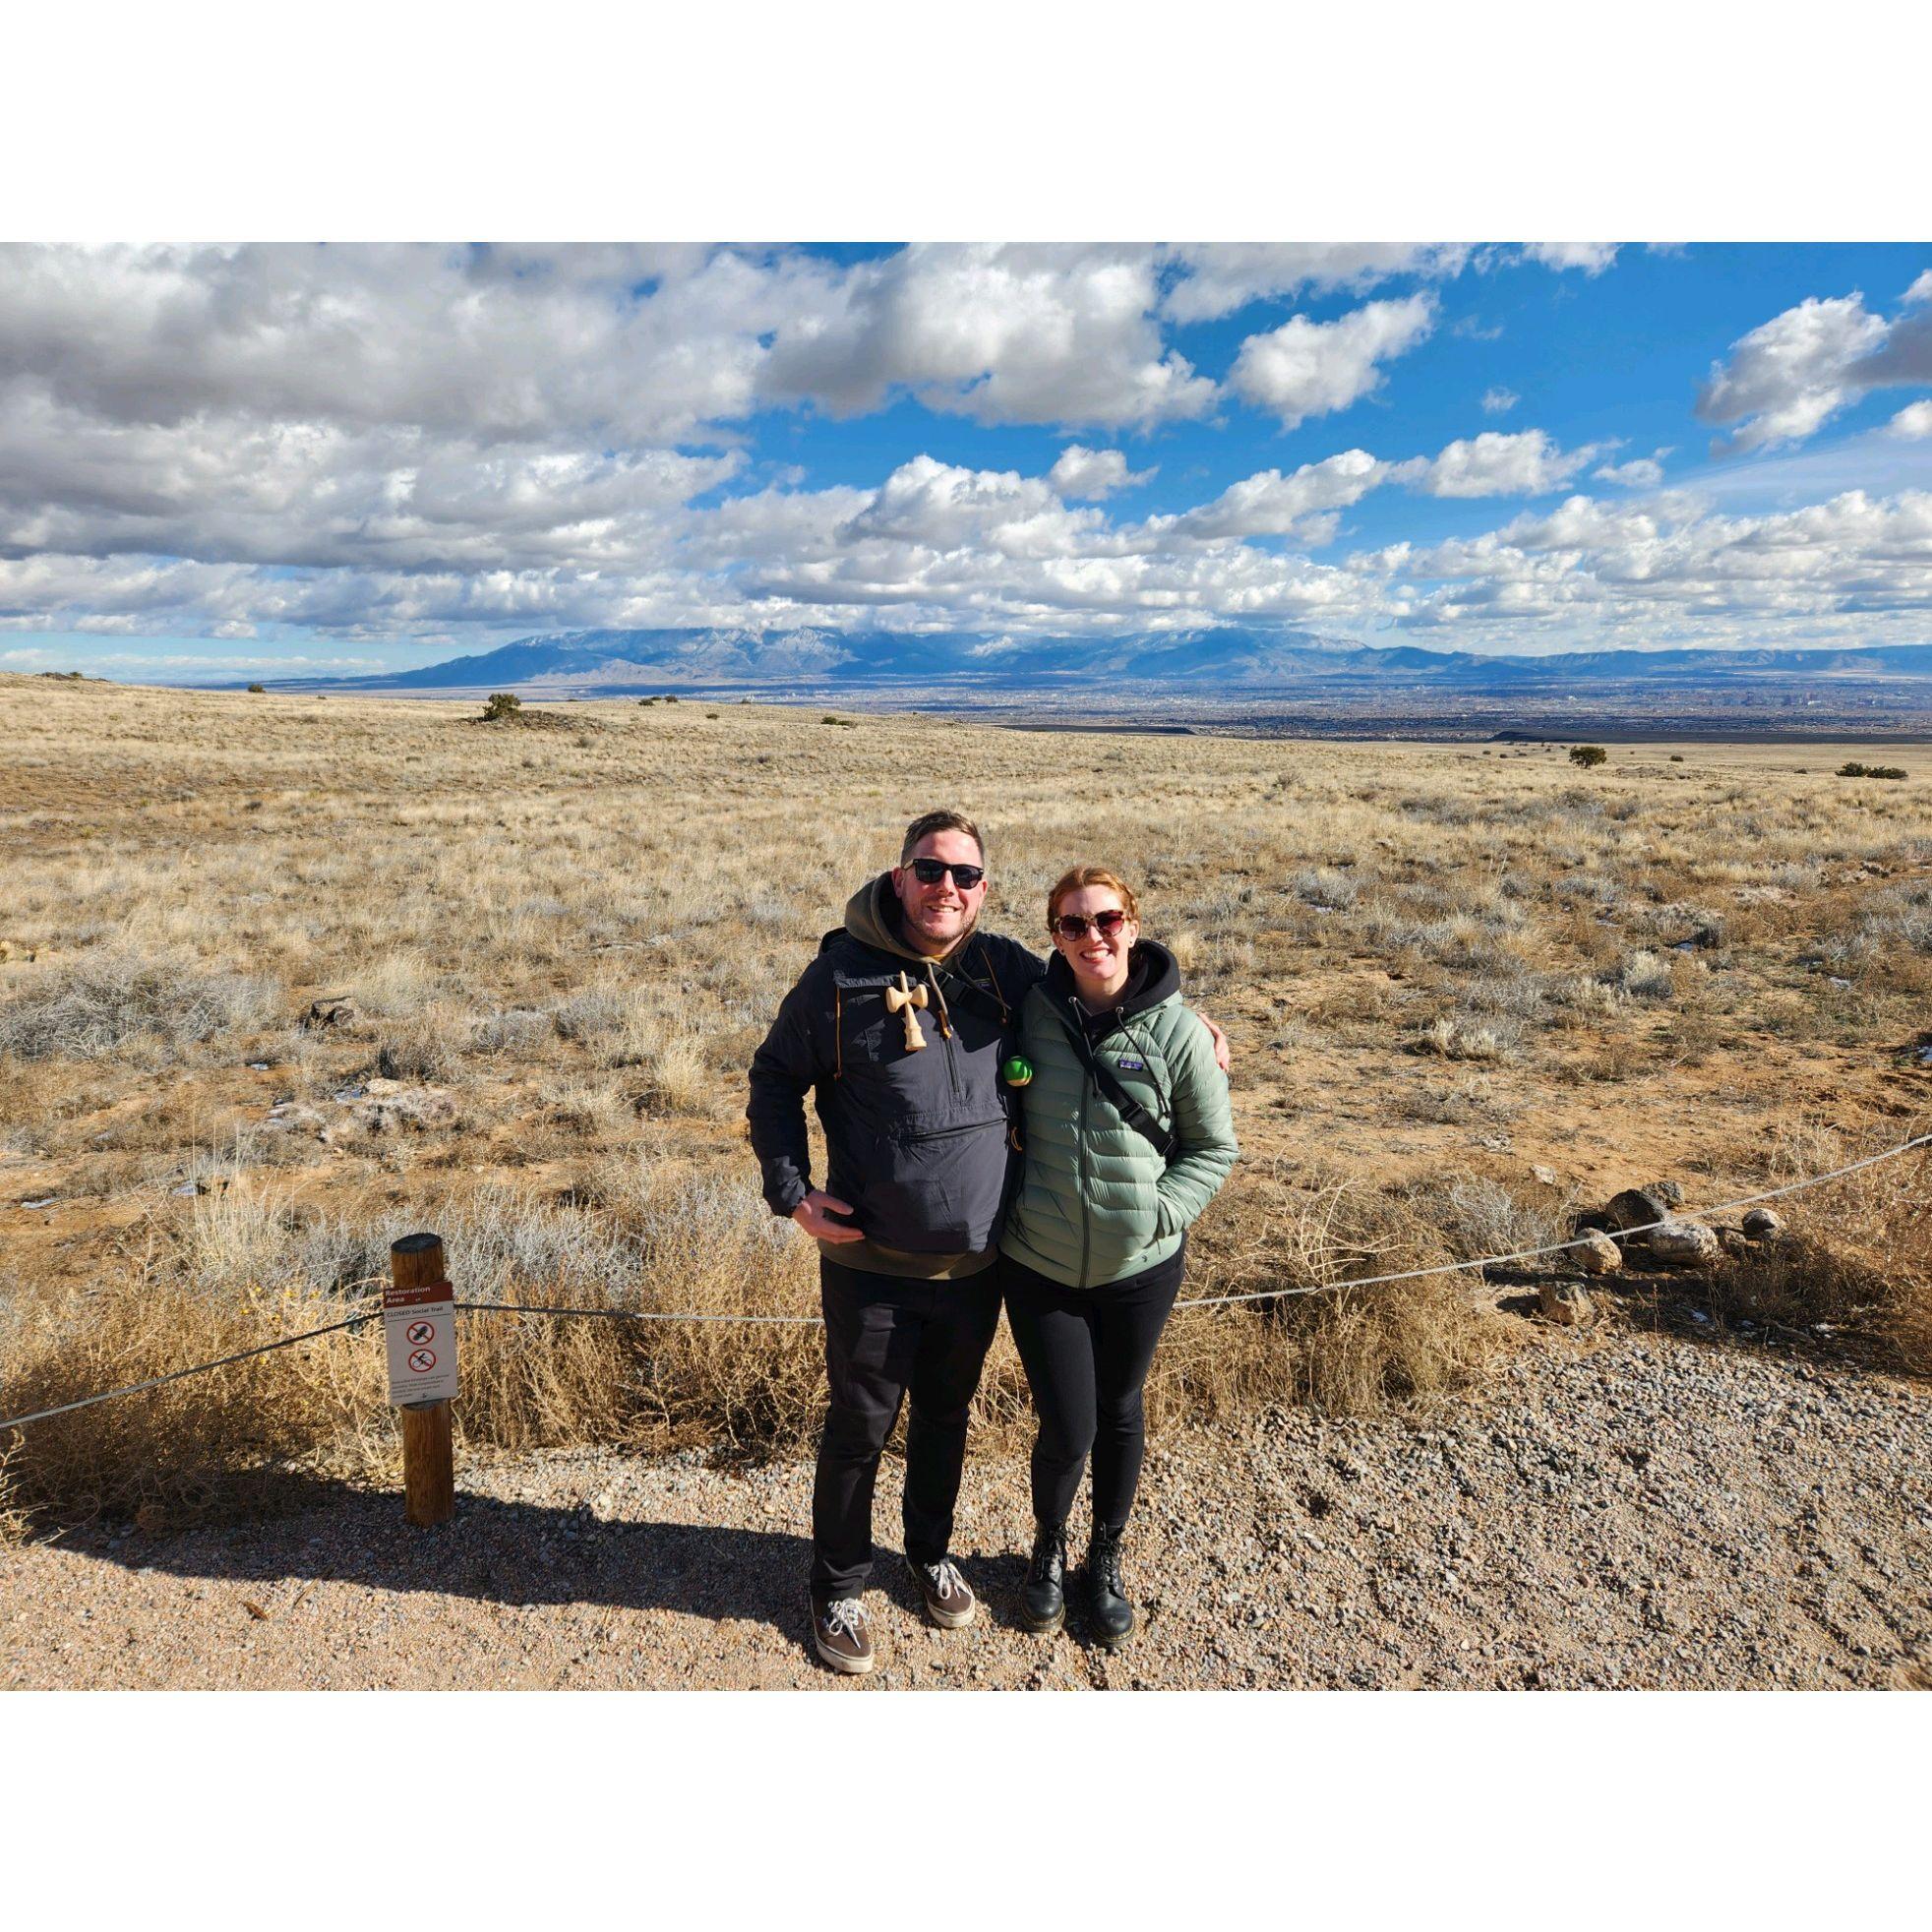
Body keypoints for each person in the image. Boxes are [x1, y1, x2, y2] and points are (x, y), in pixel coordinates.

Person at [748, 814, 1230, 1675]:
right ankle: (838, 1586)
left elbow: (1105, 995)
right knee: (860, 1426)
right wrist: (792, 1194)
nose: (948, 889)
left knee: (945, 1418)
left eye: (966, 876)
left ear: (984, 890)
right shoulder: (838, 977)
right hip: (871, 1261)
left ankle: (929, 1555)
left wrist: (1195, 1029)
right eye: (931, 871)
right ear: (898, 878)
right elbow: (775, 1077)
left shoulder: (1004, 970)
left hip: (977, 1262)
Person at [998, 865, 1238, 1652]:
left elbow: (1212, 1148)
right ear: (1055, 938)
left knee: (1121, 1409)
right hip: (1039, 1261)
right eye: (1072, 925)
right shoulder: (1027, 1011)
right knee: (1068, 1426)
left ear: (1133, 926)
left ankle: (1104, 1558)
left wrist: (1156, 1215)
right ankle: (1048, 1550)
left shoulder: (1177, 1033)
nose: (1091, 936)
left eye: (1106, 920)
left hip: (1141, 1268)